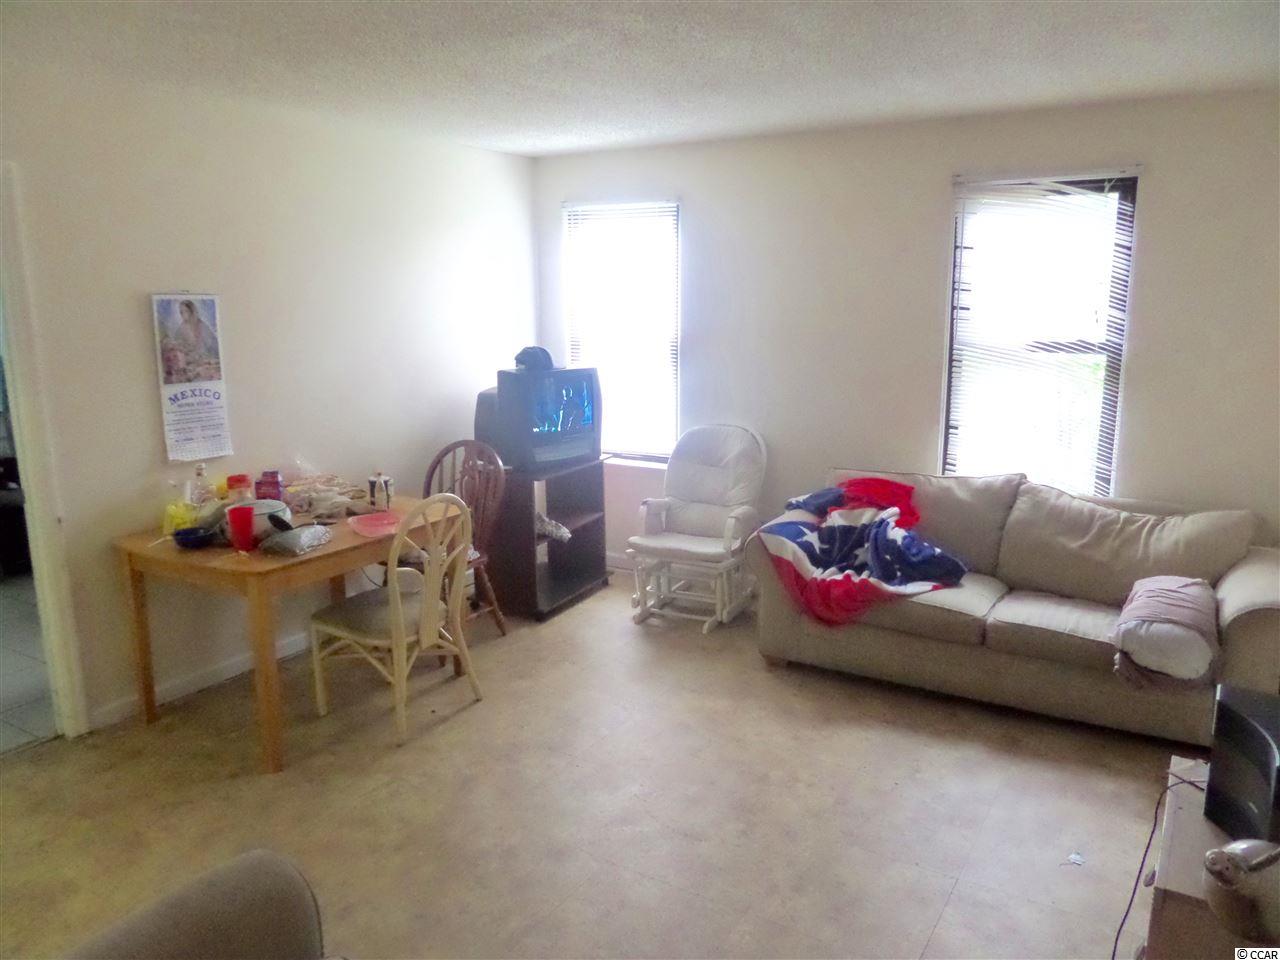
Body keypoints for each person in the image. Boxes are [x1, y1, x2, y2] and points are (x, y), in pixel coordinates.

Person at [163, 299, 220, 383]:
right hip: (189, 363)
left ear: (191, 311)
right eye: (181, 312)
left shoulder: (202, 325)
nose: (183, 314)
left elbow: (214, 345)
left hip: (206, 360)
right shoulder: (181, 329)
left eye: (185, 311)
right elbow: (177, 348)